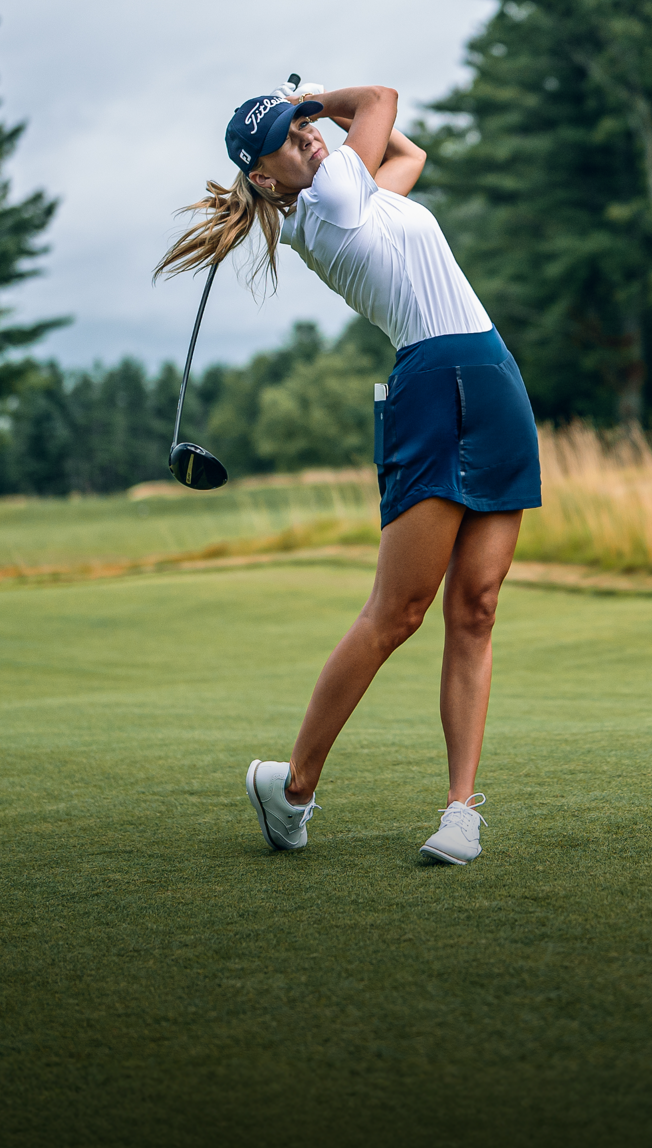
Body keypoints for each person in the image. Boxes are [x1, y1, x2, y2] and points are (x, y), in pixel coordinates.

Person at [155, 84, 540, 864]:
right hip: (433, 386)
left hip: (493, 374)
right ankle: (293, 787)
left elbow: (410, 155)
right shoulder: (328, 198)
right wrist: (325, 99)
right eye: (287, 139)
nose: (307, 139)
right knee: (398, 613)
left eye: (304, 128)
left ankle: (461, 810)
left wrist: (308, 119)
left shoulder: (351, 194)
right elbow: (383, 100)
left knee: (479, 608)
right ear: (266, 180)